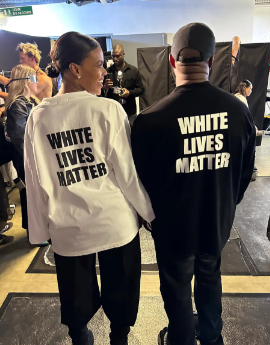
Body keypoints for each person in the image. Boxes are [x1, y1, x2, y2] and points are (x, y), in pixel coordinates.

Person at [24, 31, 154, 345]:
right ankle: (118, 338)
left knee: (74, 302)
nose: (104, 73)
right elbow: (126, 173)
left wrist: (40, 233)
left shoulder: (38, 118)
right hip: (115, 223)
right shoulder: (108, 111)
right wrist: (148, 213)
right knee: (121, 295)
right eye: (98, 65)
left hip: (68, 227)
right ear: (75, 69)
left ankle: (82, 338)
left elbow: (35, 180)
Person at [131, 23, 256, 345]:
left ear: (172, 62)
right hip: (216, 218)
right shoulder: (238, 112)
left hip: (172, 225)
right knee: (210, 276)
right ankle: (212, 336)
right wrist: (226, 202)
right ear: (213, 61)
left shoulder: (149, 119)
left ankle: (181, 338)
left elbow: (140, 182)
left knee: (175, 285)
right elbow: (244, 172)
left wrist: (151, 217)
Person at [5, 65, 47, 247]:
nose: (37, 83)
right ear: (25, 82)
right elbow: (21, 138)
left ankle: (38, 230)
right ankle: (35, 233)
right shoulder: (18, 105)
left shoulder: (28, 101)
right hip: (27, 159)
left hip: (33, 157)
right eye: (34, 79)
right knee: (31, 195)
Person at [104, 44, 144, 126]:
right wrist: (105, 87)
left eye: (118, 56)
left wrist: (129, 93)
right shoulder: (107, 72)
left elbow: (141, 89)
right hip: (113, 111)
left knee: (131, 134)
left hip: (130, 112)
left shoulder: (133, 71)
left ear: (123, 54)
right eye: (113, 56)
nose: (115, 59)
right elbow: (99, 93)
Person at [235, 79, 264, 181]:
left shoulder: (237, 97)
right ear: (244, 88)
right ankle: (252, 171)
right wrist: (254, 129)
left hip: (236, 129)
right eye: (250, 89)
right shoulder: (242, 99)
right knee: (249, 150)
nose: (251, 91)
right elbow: (248, 117)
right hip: (240, 130)